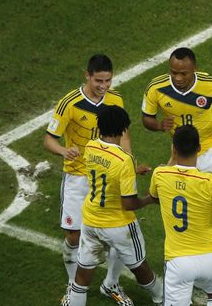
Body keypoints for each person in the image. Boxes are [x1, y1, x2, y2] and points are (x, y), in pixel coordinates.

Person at [141, 47, 212, 274]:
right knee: (170, 198)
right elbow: (146, 118)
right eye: (173, 72)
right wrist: (158, 125)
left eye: (183, 73)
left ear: (194, 69)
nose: (177, 78)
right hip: (182, 152)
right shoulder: (157, 87)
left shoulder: (210, 85)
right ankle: (185, 244)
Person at [44, 54, 133, 304]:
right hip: (78, 176)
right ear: (87, 75)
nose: (103, 86)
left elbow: (123, 134)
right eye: (98, 81)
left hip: (108, 176)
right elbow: (49, 138)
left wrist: (128, 161)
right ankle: (74, 287)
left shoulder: (115, 99)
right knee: (73, 235)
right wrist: (63, 150)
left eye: (107, 80)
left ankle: (111, 284)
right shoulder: (69, 103)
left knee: (118, 233)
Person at [63, 105, 163, 306]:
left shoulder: (90, 146)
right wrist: (150, 199)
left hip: (90, 220)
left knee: (82, 278)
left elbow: (106, 170)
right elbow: (129, 203)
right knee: (140, 267)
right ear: (124, 128)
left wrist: (132, 171)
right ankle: (163, 297)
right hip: (118, 224)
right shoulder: (124, 160)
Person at [146, 125, 212, 306]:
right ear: (198, 148)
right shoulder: (211, 182)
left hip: (178, 261)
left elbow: (155, 197)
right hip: (210, 259)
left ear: (173, 148)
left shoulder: (159, 174)